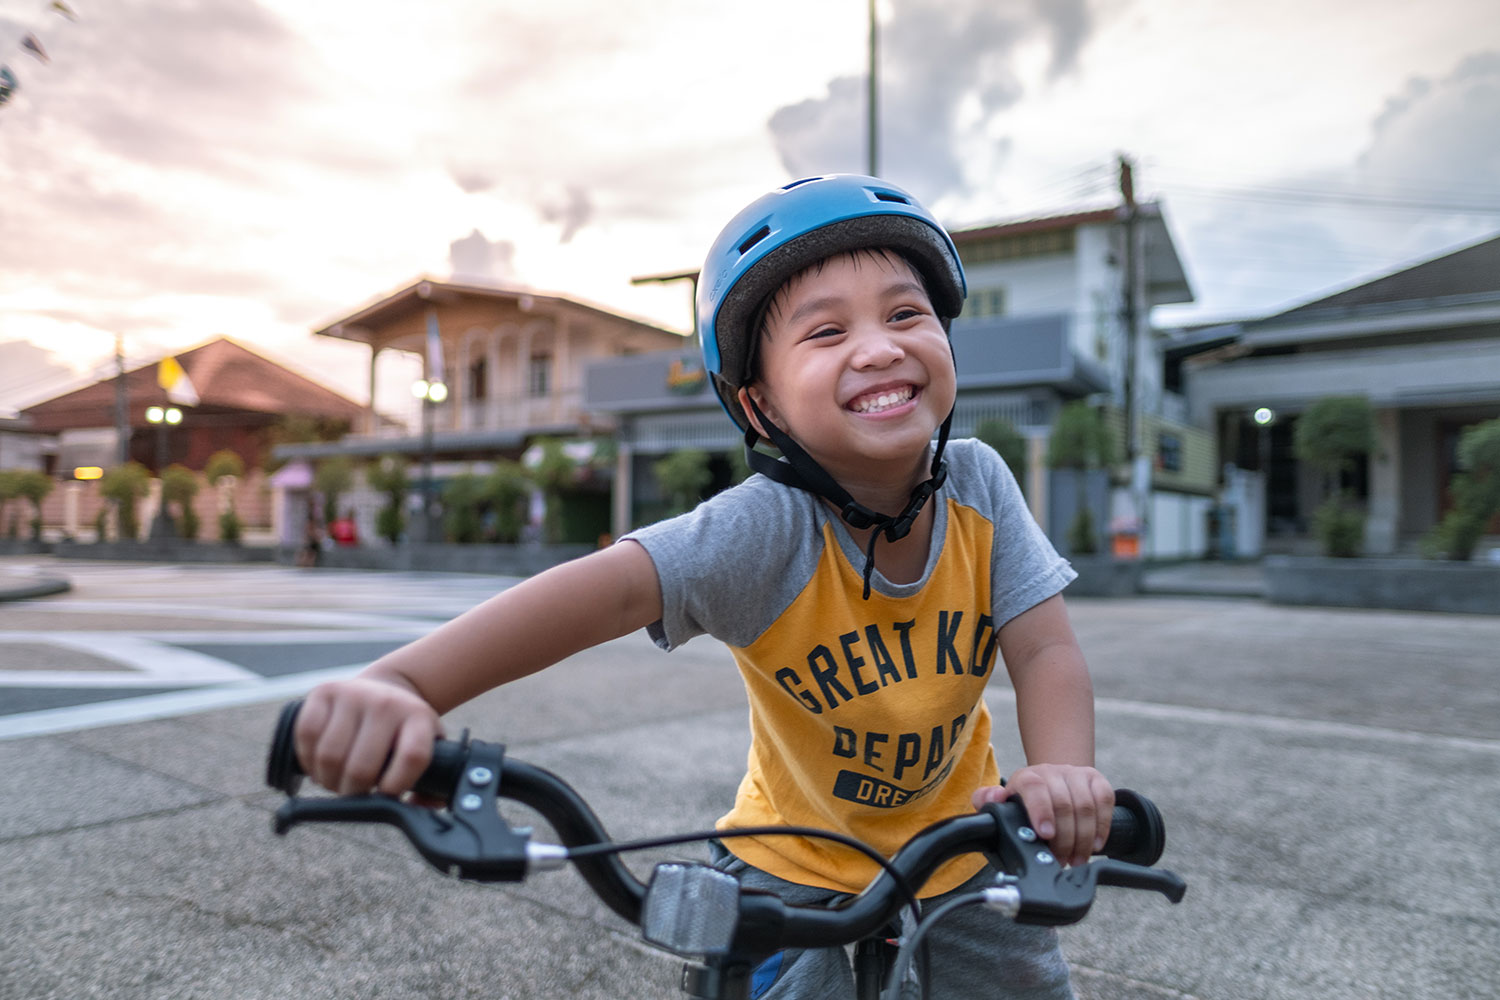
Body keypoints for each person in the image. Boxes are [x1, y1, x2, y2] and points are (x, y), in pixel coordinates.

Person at [293, 175, 1112, 999]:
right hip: (787, 860)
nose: (878, 347)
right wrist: (402, 684)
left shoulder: (980, 483)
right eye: (826, 331)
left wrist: (1061, 776)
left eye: (906, 314)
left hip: (961, 849)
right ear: (761, 408)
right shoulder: (763, 528)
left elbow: (1044, 651)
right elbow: (607, 591)